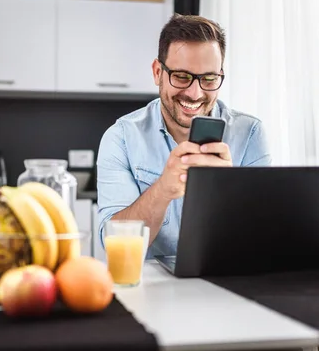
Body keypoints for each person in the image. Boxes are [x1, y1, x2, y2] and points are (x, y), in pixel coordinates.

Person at [96, 14, 272, 259]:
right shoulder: (121, 137)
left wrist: (228, 192)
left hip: (222, 283)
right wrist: (164, 189)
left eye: (209, 79)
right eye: (181, 76)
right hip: (149, 289)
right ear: (158, 72)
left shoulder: (250, 134)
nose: (195, 93)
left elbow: (264, 240)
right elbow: (112, 242)